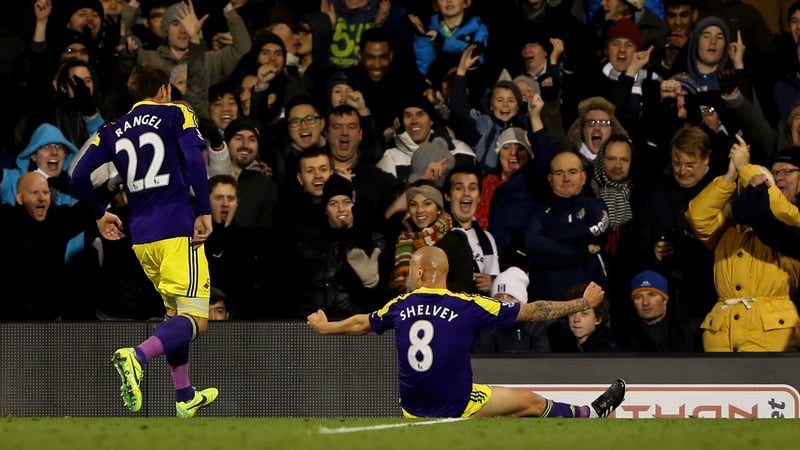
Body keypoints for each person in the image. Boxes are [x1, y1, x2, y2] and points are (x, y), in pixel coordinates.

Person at [308, 246, 626, 418]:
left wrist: (327, 327)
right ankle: (589, 413)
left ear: (421, 271)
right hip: (457, 403)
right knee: (528, 402)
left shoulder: (400, 304)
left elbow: (361, 323)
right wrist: (583, 303)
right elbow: (532, 311)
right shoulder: (468, 305)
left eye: (411, 268)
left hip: (412, 407)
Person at [71, 63, 218, 416]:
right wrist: (204, 209)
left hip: (142, 238)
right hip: (178, 230)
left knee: (175, 314)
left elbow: (79, 174)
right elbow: (194, 159)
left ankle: (184, 396)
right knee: (197, 321)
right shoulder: (177, 113)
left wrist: (99, 214)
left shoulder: (112, 129)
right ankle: (137, 356)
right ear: (164, 90)